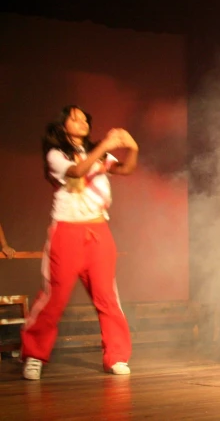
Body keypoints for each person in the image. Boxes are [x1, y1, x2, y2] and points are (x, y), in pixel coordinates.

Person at [21, 105, 138, 380]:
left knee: (107, 297)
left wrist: (132, 148)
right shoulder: (56, 155)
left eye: (85, 118)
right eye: (75, 118)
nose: (82, 122)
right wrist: (106, 146)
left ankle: (116, 356)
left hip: (98, 232)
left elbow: (126, 169)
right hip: (67, 232)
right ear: (63, 126)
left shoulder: (98, 152)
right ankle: (34, 355)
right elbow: (76, 172)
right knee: (54, 297)